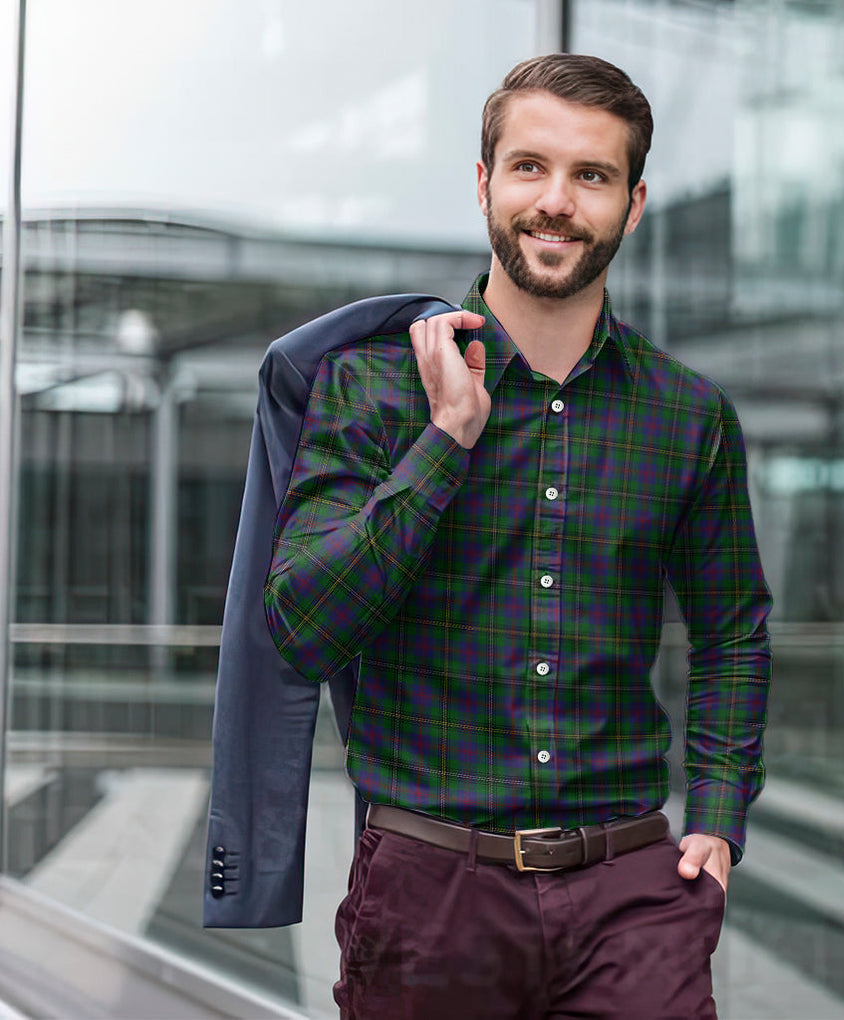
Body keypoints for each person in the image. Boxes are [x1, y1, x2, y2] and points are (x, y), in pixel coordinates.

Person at [264, 53, 772, 1019]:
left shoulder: (687, 416)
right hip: (430, 895)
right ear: (486, 182)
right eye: (531, 167)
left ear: (634, 201)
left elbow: (734, 629)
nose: (557, 201)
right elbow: (301, 627)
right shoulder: (372, 390)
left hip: (633, 896)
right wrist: (448, 438)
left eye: (593, 175)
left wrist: (716, 816)